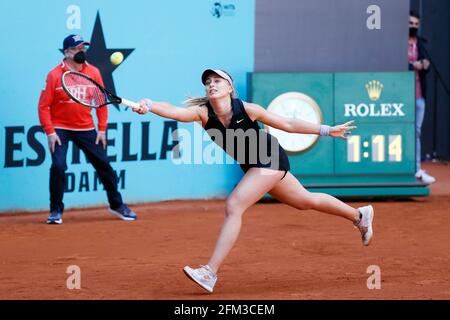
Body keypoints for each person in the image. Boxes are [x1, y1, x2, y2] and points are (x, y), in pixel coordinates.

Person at [134, 69, 374, 293]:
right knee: (304, 200)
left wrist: (325, 130)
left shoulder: (248, 109)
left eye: (217, 81)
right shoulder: (203, 113)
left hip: (269, 157)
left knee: (234, 205)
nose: (211, 85)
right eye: (208, 82)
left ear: (230, 87)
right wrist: (151, 105)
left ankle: (209, 272)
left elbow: (288, 124)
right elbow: (175, 111)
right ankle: (359, 216)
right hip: (253, 166)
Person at [38, 34, 137, 224]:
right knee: (58, 166)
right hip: (60, 128)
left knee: (104, 166)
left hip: (86, 127)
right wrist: (50, 132)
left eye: (83, 48)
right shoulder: (53, 75)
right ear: (67, 53)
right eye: (77, 49)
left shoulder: (93, 72)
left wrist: (102, 129)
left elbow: (101, 102)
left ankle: (117, 205)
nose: (82, 51)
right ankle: (55, 211)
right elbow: (43, 106)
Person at [408, 11, 435, 184]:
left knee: (416, 132)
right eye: (411, 23)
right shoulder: (396, 42)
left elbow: (427, 64)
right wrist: (411, 65)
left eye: (416, 24)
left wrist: (425, 64)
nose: (414, 27)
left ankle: (416, 169)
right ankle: (402, 168)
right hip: (401, 96)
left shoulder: (421, 44)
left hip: (419, 94)